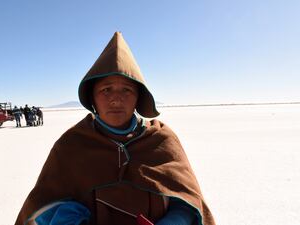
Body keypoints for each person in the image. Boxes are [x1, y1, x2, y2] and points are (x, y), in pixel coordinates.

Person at [15, 32, 215, 225]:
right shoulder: (72, 144)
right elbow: (44, 204)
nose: (116, 98)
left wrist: (174, 221)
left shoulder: (162, 139)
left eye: (126, 90)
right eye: (106, 89)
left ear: (138, 97)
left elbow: (189, 203)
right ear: (92, 97)